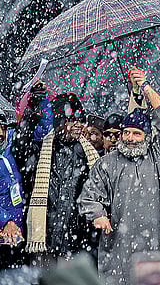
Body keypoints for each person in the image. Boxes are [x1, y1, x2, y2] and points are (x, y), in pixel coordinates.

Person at [78, 68, 160, 285]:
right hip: (120, 247)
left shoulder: (159, 155)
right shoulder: (107, 163)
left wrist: (145, 87)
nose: (130, 138)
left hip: (158, 244)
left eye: (137, 133)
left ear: (147, 137)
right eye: (126, 132)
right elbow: (88, 196)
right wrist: (97, 214)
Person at [20, 93, 99, 266]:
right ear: (60, 122)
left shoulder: (88, 153)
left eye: (80, 121)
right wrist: (33, 111)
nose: (77, 126)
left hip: (77, 238)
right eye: (72, 121)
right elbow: (21, 145)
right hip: (45, 238)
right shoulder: (41, 149)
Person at [0, 109, 25, 269]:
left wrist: (14, 223)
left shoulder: (10, 151)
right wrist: (6, 221)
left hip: (13, 237)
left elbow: (42, 130)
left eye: (2, 127)